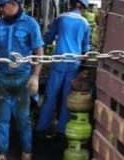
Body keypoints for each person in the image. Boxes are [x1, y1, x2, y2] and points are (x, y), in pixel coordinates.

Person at [0, 0, 44, 160]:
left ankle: (27, 151)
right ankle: (2, 153)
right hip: (2, 77)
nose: (1, 10)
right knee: (1, 117)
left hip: (23, 78)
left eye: (2, 6)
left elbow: (39, 52)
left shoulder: (31, 24)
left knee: (23, 117)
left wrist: (35, 76)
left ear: (13, 4)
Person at [35, 0, 91, 137]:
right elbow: (86, 48)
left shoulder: (61, 19)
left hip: (59, 61)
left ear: (70, 4)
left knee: (51, 96)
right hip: (74, 63)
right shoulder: (85, 23)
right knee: (67, 97)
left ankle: (41, 129)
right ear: (83, 8)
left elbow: (47, 39)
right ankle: (62, 130)